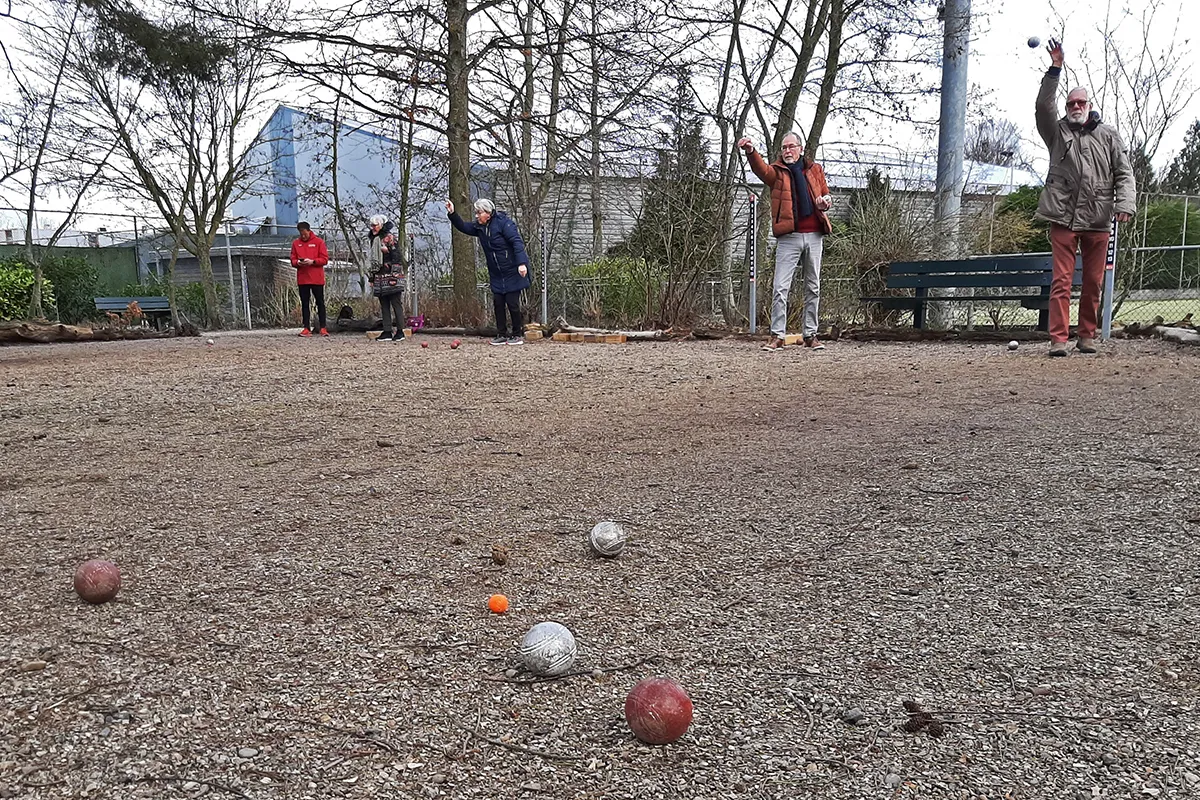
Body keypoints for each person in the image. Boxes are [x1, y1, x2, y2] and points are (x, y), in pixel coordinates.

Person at [1036, 39, 1136, 357]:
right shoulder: (1056, 132)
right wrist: (1055, 69)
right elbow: (1043, 107)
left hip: (1098, 219)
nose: (1076, 107)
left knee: (1093, 282)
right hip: (1063, 217)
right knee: (1062, 280)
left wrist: (1125, 204)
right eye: (1071, 104)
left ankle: (1086, 336)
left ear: (1090, 105)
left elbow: (1124, 172)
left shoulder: (1108, 135)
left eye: (1081, 103)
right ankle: (1057, 340)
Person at [737, 131, 834, 351]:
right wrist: (751, 152)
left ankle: (810, 335)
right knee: (780, 287)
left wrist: (825, 203)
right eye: (784, 148)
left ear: (800, 148)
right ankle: (777, 336)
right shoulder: (777, 172)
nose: (788, 151)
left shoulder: (815, 169)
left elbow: (826, 196)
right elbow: (761, 170)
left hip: (815, 235)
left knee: (813, 287)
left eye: (791, 147)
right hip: (788, 237)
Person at [445, 198, 530, 345]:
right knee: (498, 303)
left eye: (479, 213)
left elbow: (517, 242)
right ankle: (501, 334)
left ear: (488, 213)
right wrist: (452, 213)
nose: (477, 216)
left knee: (512, 304)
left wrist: (522, 264)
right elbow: (463, 227)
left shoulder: (504, 224)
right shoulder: (480, 227)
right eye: (476, 213)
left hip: (512, 270)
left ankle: (517, 334)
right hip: (496, 273)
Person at [368, 214, 406, 342]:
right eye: (371, 225)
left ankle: (400, 331)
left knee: (396, 303)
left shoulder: (390, 238)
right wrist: (372, 278)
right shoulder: (374, 239)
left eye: (375, 225)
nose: (372, 228)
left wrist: (395, 273)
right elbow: (373, 260)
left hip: (391, 275)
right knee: (384, 304)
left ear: (381, 225)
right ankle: (387, 331)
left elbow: (397, 256)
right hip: (379, 276)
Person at [290, 221, 329, 337]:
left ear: (309, 230)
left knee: (320, 302)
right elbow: (292, 260)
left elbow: (325, 259)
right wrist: (298, 262)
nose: (303, 236)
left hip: (317, 278)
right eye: (301, 234)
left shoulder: (319, 242)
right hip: (303, 279)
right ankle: (306, 328)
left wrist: (313, 261)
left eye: (304, 233)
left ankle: (323, 327)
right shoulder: (296, 244)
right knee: (305, 303)